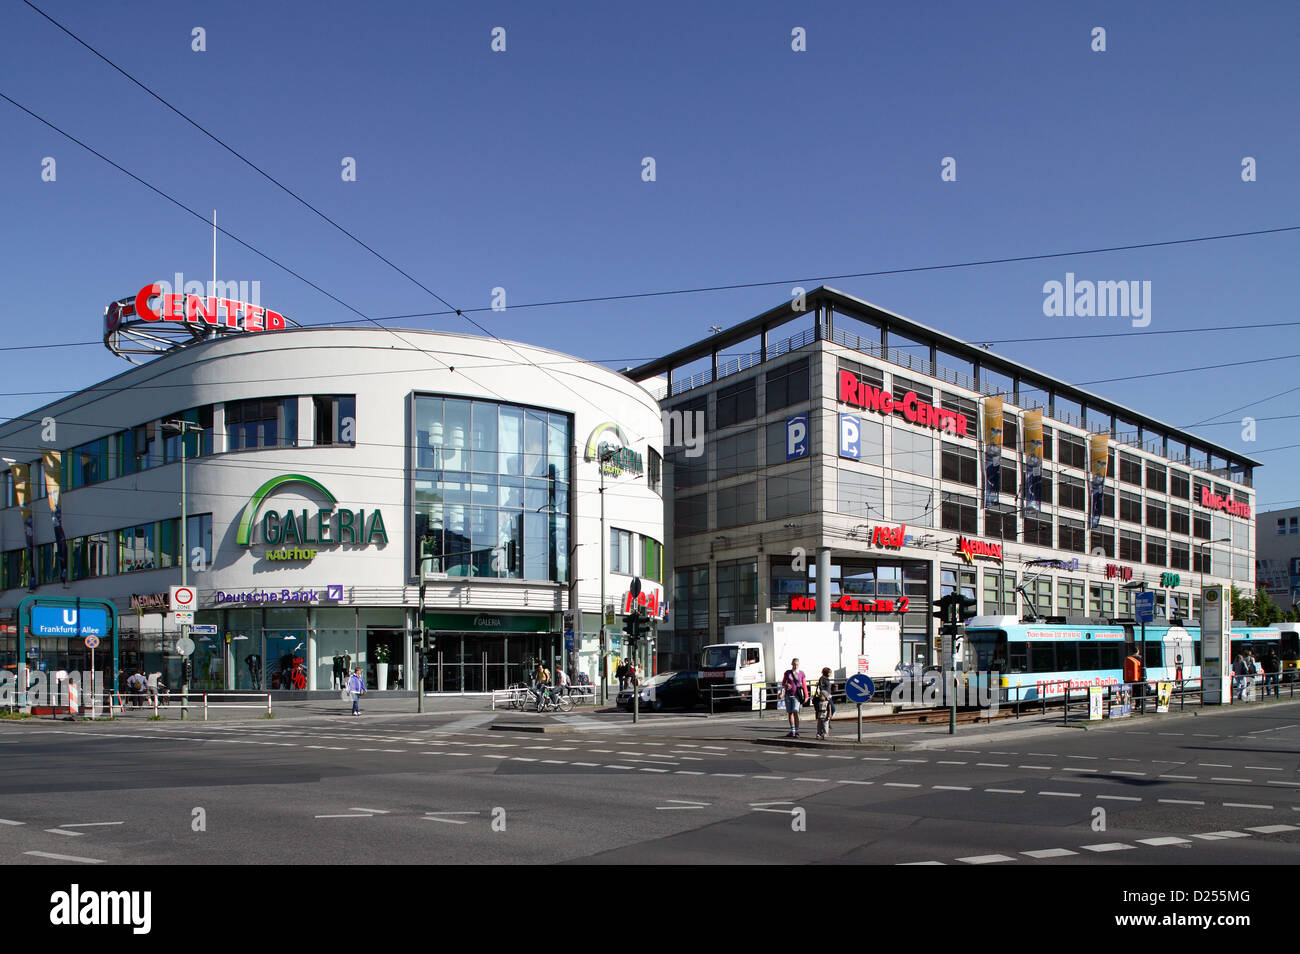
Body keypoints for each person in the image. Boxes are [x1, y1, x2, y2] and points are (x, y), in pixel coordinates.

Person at [781, 658, 809, 738]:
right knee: (790, 713)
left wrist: (806, 696)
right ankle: (792, 731)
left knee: (795, 711)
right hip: (788, 695)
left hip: (796, 695)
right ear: (791, 664)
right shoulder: (787, 673)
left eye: (797, 664)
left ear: (798, 664)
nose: (795, 666)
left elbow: (804, 685)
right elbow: (783, 682)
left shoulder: (801, 673)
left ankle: (796, 731)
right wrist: (787, 685)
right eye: (794, 664)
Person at [814, 667, 835, 741]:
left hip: (828, 696)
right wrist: (826, 695)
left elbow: (828, 687)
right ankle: (826, 723)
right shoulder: (822, 679)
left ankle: (827, 721)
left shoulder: (827, 679)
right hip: (826, 697)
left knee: (832, 709)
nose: (830, 674)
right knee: (831, 708)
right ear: (826, 672)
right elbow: (822, 689)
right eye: (829, 672)